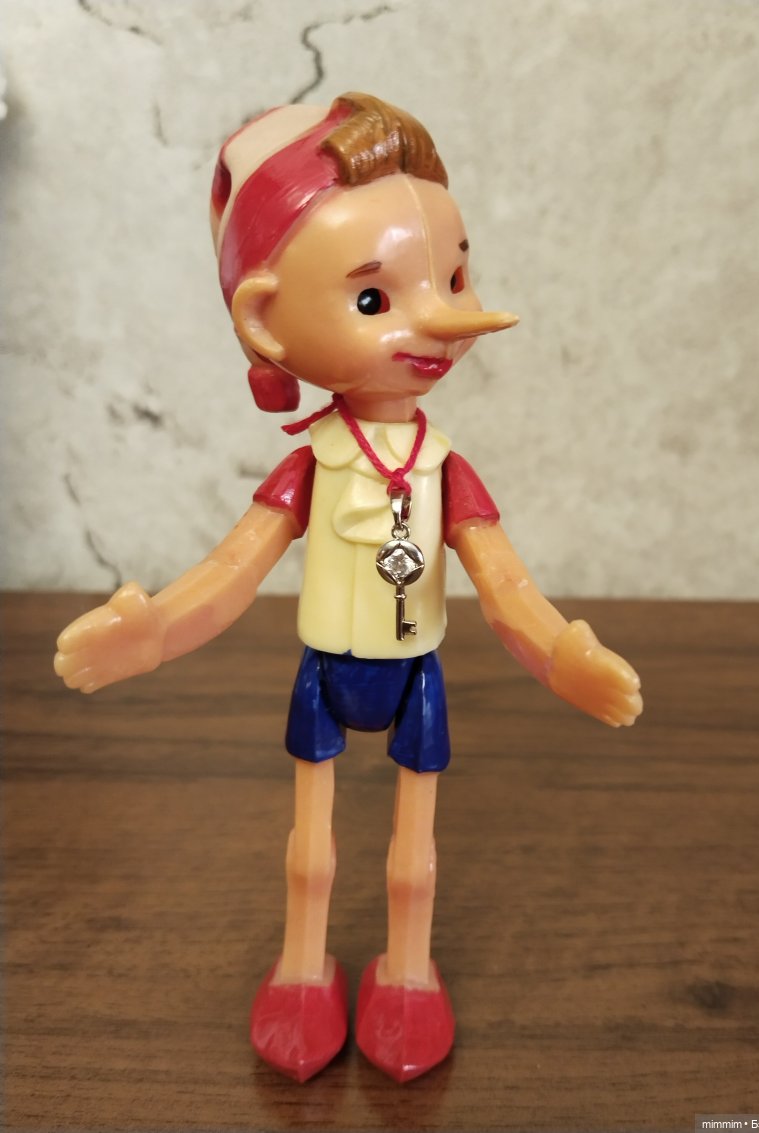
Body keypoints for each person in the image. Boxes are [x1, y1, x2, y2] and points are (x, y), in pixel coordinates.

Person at [55, 92, 643, 1083]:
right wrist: (154, 631)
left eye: (453, 275)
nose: (443, 316)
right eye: (375, 299)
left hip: (415, 673)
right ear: (264, 317)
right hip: (327, 669)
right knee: (311, 845)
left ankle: (408, 972)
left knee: (414, 852)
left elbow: (504, 583)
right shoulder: (314, 464)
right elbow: (233, 570)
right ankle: (302, 967)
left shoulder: (443, 467)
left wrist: (557, 655)